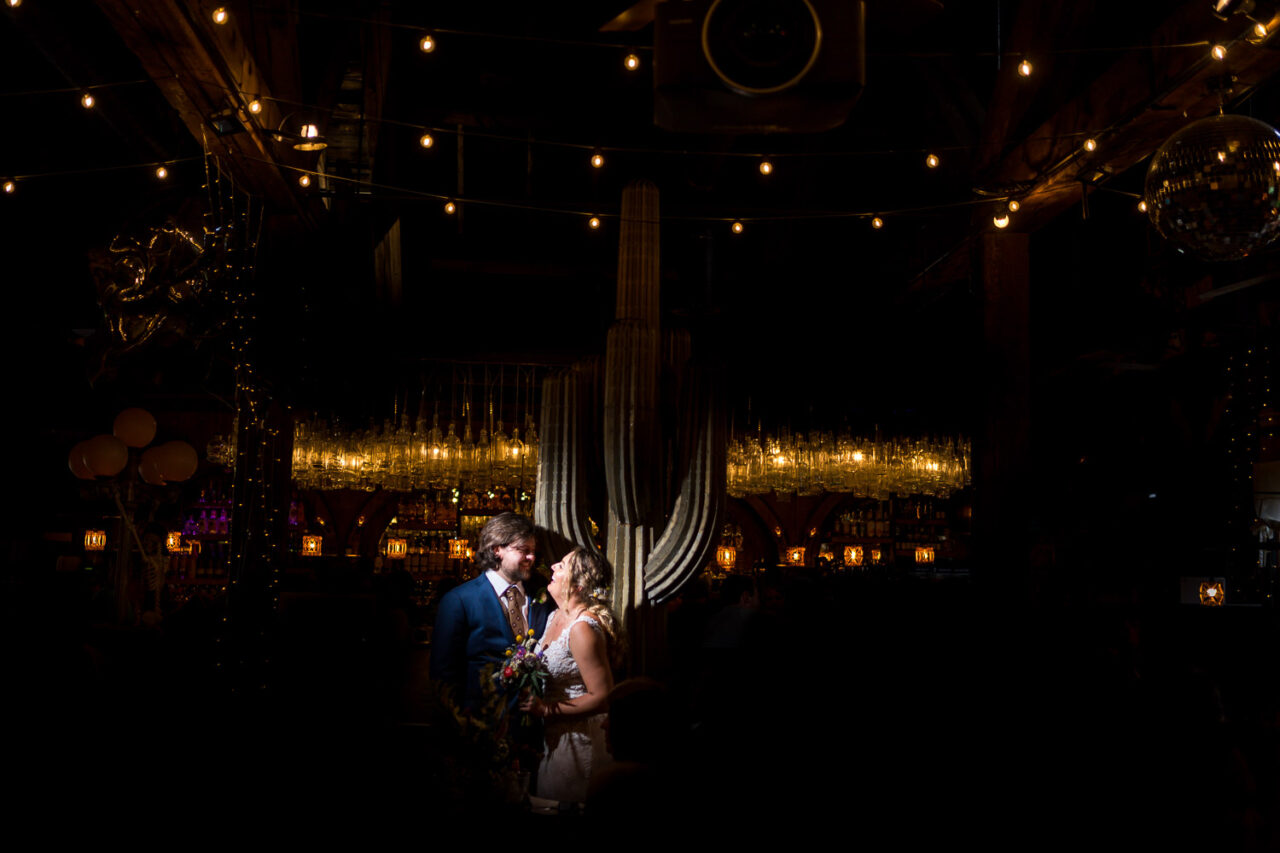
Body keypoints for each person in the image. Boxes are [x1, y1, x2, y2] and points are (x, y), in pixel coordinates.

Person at [519, 547, 620, 803]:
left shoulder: (582, 628)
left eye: (562, 565)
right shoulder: (554, 615)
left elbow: (602, 696)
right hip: (553, 737)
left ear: (578, 586)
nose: (553, 566)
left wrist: (546, 710)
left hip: (579, 739)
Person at [429, 512, 553, 712]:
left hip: (536, 720)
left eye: (533, 551)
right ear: (497, 550)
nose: (531, 557)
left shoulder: (542, 594)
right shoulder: (459, 601)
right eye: (524, 550)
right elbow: (443, 676)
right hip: (482, 718)